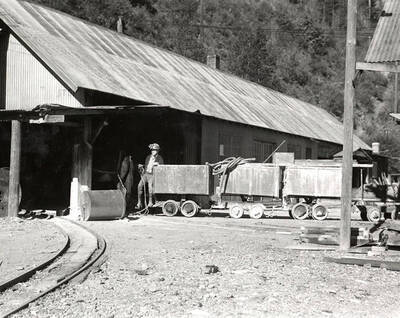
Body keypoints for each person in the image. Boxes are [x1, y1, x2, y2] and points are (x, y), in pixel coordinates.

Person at [136, 143, 164, 209]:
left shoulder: (160, 158)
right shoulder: (148, 157)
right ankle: (139, 202)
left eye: (154, 150)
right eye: (152, 150)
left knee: (150, 187)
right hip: (146, 174)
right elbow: (146, 166)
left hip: (152, 175)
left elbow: (162, 167)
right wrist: (141, 166)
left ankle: (150, 202)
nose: (153, 151)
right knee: (139, 186)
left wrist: (157, 164)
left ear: (157, 151)